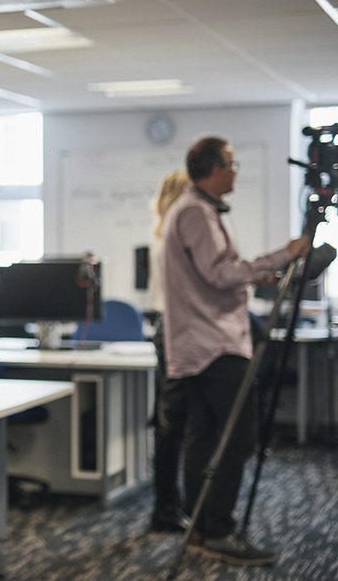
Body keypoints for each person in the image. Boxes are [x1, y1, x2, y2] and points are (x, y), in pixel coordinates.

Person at [161, 135, 310, 566]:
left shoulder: (192, 209)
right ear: (213, 169)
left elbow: (215, 274)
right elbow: (219, 273)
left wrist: (251, 275)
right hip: (215, 346)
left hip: (200, 344)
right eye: (231, 163)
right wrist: (284, 255)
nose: (236, 169)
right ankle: (219, 531)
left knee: (204, 437)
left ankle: (201, 530)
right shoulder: (196, 211)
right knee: (236, 438)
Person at [147, 169, 191, 533]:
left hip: (169, 330)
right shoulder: (173, 239)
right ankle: (165, 507)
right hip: (177, 332)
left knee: (173, 425)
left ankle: (170, 504)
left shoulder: (162, 236)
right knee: (173, 425)